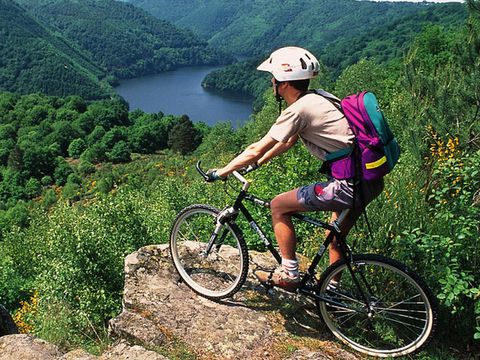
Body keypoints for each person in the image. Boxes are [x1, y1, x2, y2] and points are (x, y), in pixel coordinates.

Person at [206, 46, 384, 292]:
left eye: (274, 80)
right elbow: (287, 141)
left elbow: (256, 147)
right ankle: (332, 295)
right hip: (369, 180)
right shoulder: (320, 97)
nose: (272, 84)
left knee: (278, 206)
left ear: (284, 84)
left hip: (347, 186)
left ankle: (289, 275)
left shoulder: (297, 109)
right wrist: (259, 163)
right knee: (335, 238)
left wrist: (221, 172)